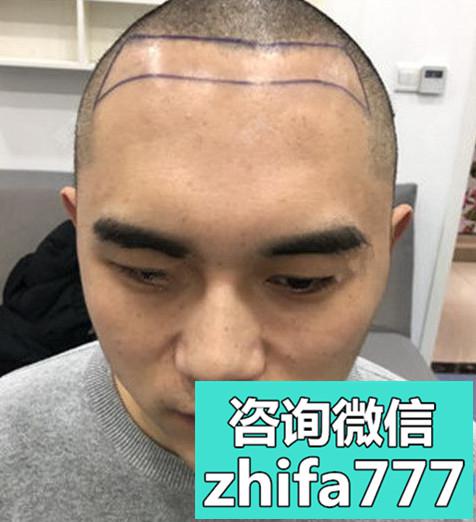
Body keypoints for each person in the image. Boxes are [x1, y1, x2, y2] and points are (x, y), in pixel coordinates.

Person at [0, 0, 471, 520]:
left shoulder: (421, 462)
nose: (216, 364)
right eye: (146, 272)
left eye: (300, 281)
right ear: (79, 238)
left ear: (387, 251)